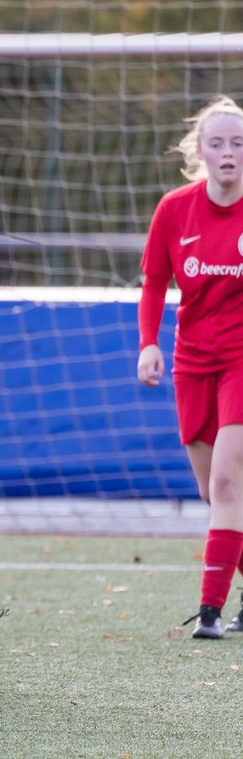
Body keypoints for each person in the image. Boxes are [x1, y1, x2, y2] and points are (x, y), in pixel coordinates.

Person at [138, 96, 243, 639]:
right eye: (217, 143)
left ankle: (210, 611)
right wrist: (147, 344)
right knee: (214, 491)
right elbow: (155, 281)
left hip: (242, 363)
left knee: (228, 482)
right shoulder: (175, 209)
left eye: (239, 144)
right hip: (191, 361)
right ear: (199, 152)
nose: (228, 153)